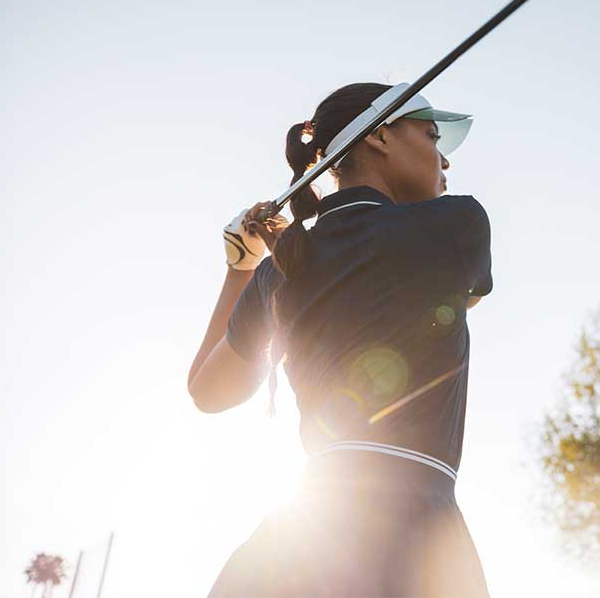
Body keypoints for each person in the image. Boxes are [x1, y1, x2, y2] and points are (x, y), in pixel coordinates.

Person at [187, 82, 493, 597]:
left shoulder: (282, 268)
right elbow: (457, 301)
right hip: (416, 540)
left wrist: (242, 267)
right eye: (431, 135)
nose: (444, 161)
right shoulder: (456, 224)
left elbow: (210, 391)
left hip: (297, 544)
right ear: (378, 137)